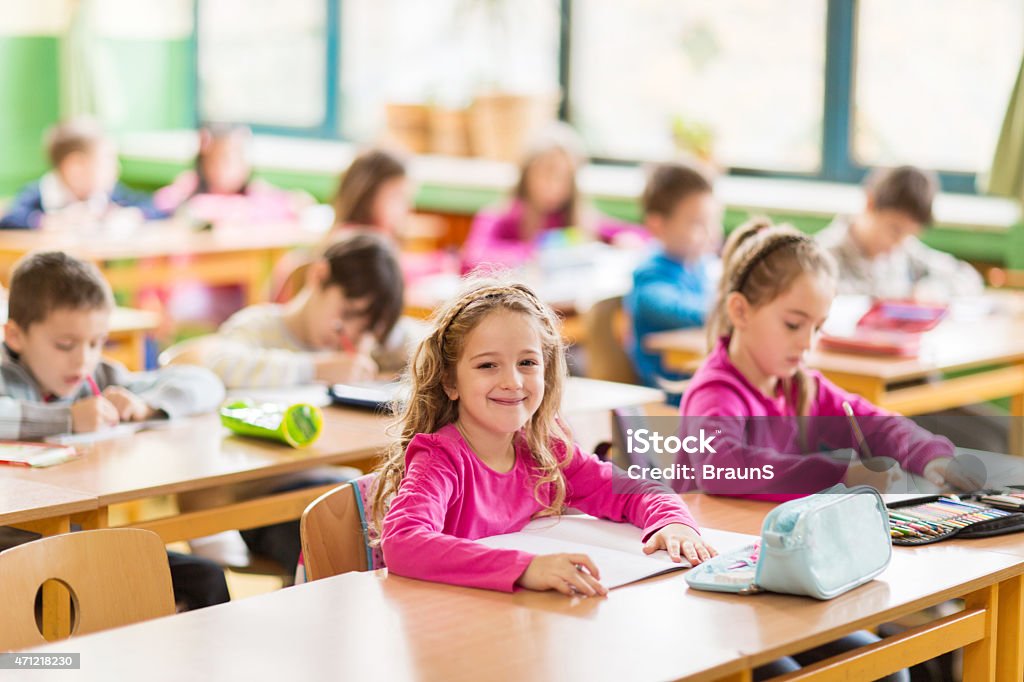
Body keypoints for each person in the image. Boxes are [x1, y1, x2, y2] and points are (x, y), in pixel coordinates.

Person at [371, 278, 716, 595]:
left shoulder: (544, 452)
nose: (513, 382)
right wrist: (524, 568)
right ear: (450, 381)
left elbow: (636, 490)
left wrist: (672, 522)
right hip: (453, 625)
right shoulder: (441, 458)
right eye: (488, 365)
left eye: (527, 363)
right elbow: (402, 542)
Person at [677, 218, 971, 499]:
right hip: (710, 543)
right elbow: (721, 469)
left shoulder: (798, 385)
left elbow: (872, 423)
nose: (807, 342)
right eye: (793, 324)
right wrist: (841, 475)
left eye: (817, 327)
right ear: (741, 311)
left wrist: (931, 456)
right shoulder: (715, 393)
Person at [0, 251, 229, 611]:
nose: (82, 360)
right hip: (14, 551)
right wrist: (68, 419)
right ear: (15, 335)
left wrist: (147, 407)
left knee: (206, 579)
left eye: (96, 343)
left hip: (84, 540)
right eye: (65, 344)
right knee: (87, 605)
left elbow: (205, 383)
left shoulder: (97, 377)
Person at [165, 232, 407, 387]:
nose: (348, 334)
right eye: (346, 313)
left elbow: (419, 339)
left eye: (364, 328)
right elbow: (221, 364)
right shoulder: (259, 326)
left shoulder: (362, 341)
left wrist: (374, 339)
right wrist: (315, 369)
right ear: (319, 275)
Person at [462, 123, 639, 272]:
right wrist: (535, 254)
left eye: (564, 178)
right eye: (545, 175)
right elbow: (473, 257)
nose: (554, 187)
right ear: (527, 174)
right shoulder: (502, 215)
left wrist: (626, 239)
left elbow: (635, 235)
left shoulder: (576, 219)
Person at [815, 165, 983, 300]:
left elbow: (967, 277)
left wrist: (932, 291)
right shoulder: (820, 257)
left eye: (909, 235)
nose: (897, 243)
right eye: (894, 230)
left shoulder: (904, 251)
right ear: (870, 203)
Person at [625, 161, 722, 388]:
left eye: (713, 220)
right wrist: (731, 311)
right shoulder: (649, 277)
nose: (710, 232)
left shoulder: (700, 267)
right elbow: (682, 310)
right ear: (658, 225)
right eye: (697, 223)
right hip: (670, 390)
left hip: (700, 378)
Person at [0, 118, 164, 231]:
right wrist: (47, 222)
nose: (116, 168)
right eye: (107, 161)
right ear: (75, 168)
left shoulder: (110, 195)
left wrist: (131, 215)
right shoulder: (39, 195)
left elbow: (151, 207)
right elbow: (9, 220)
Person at [153, 123, 309, 226]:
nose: (229, 168)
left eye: (238, 159)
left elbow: (297, 203)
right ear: (204, 162)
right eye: (222, 160)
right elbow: (165, 203)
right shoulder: (189, 185)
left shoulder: (254, 191)